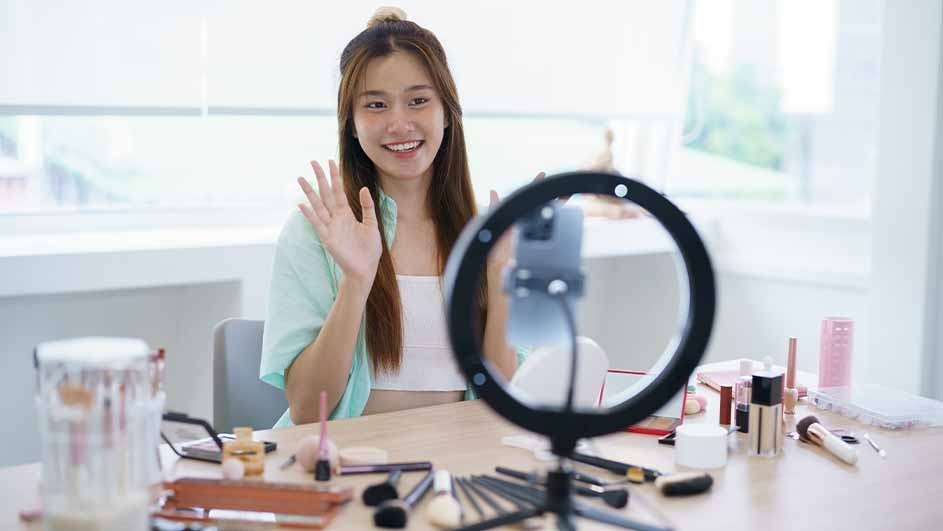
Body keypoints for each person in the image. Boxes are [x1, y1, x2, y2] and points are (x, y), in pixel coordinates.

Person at [259, 7, 535, 426]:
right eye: (376, 105)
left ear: (447, 112)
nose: (399, 124)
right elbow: (307, 410)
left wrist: (500, 284)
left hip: (459, 458)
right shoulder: (317, 231)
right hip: (346, 457)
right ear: (351, 124)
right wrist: (356, 283)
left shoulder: (487, 238)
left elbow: (502, 404)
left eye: (418, 101)